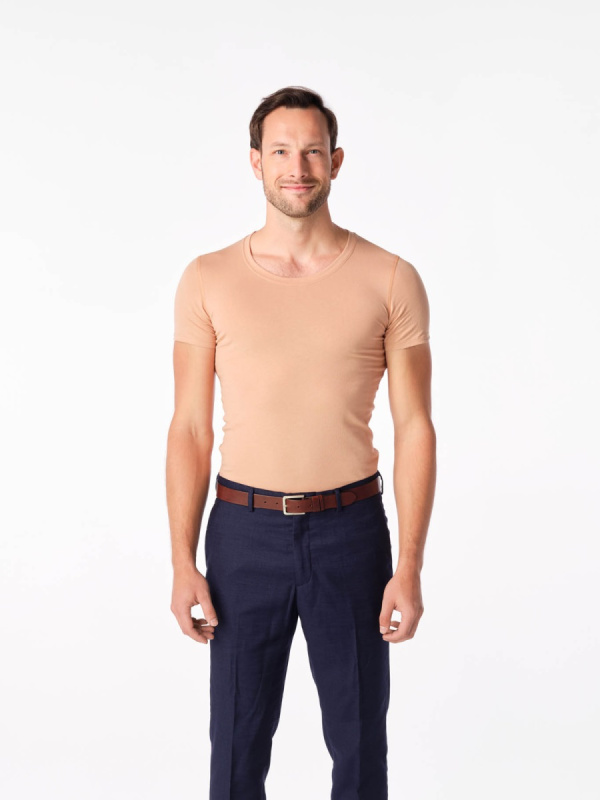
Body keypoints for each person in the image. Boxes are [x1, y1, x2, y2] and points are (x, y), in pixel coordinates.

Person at [166, 85, 436, 800]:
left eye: (313, 151)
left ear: (336, 161)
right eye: (281, 151)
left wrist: (409, 565)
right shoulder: (208, 279)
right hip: (242, 535)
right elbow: (189, 427)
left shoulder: (390, 278)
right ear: (255, 162)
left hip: (351, 533)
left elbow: (415, 426)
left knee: (359, 746)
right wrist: (182, 561)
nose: (298, 167)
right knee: (236, 749)